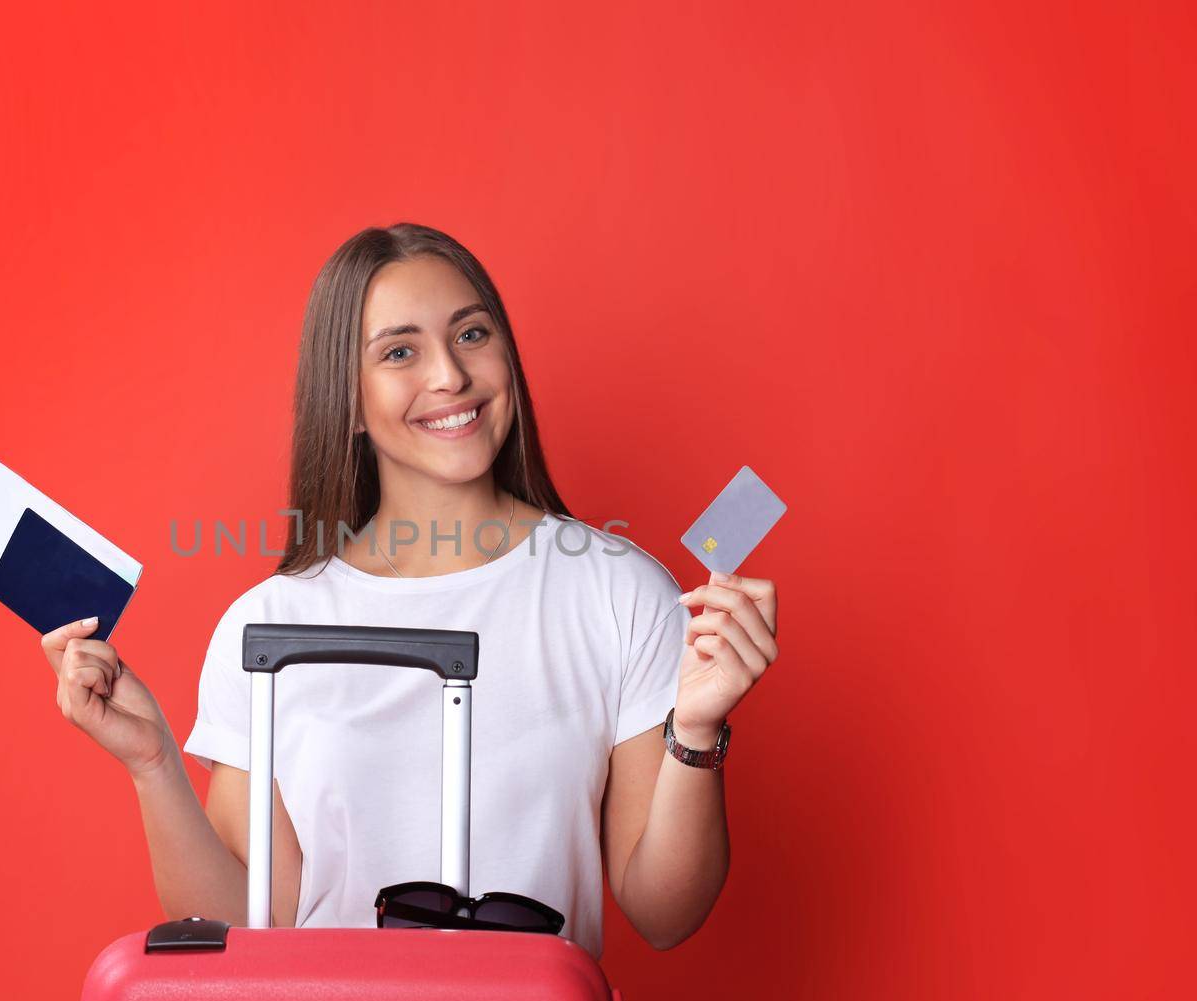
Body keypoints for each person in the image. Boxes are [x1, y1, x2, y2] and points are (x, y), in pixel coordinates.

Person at [39, 223, 780, 960]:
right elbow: (246, 925)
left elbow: (664, 912)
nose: (450, 377)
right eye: (400, 352)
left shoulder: (618, 592)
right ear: (350, 403)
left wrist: (698, 732)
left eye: (472, 335)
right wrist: (153, 764)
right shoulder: (268, 625)